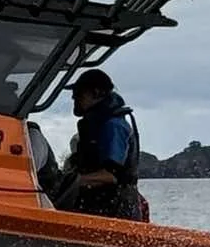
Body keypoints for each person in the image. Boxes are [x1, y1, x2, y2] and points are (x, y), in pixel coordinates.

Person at [57, 69, 147, 220]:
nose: (74, 97)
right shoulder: (98, 124)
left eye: (80, 93)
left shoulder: (114, 126)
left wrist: (71, 182)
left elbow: (110, 175)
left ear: (97, 93)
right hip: (97, 203)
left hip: (116, 207)